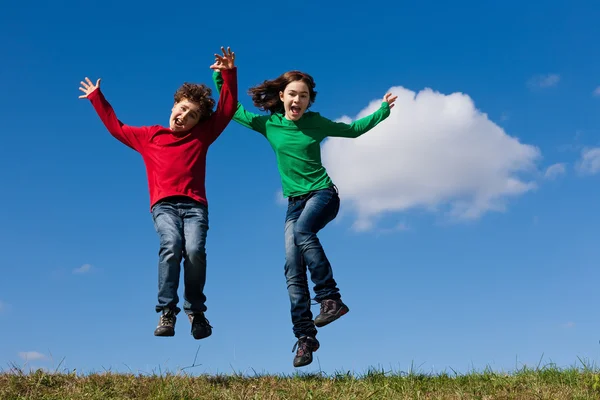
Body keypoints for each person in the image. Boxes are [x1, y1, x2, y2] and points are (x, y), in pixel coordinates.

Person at [212, 66, 397, 366]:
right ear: (282, 96)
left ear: (310, 101)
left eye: (304, 96)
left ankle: (330, 298)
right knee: (291, 268)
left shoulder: (316, 123)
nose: (298, 100)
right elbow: (232, 110)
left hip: (323, 194)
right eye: (293, 95)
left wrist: (382, 111)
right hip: (294, 204)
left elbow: (352, 130)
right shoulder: (269, 124)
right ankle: (305, 338)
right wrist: (222, 78)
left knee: (302, 232)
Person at [78, 47, 238, 340]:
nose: (184, 117)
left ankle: (196, 312)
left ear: (197, 122)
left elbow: (228, 109)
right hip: (163, 205)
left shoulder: (201, 136)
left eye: (191, 115)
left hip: (195, 206)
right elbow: (117, 127)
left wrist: (228, 74)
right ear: (173, 105)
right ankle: (167, 311)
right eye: (182, 109)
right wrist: (96, 98)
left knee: (194, 251)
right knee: (171, 245)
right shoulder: (150, 136)